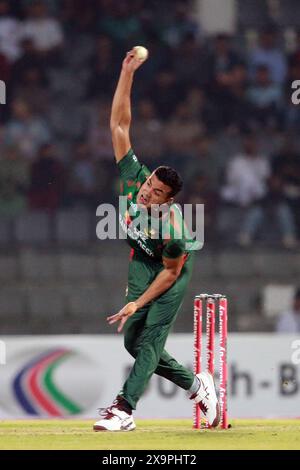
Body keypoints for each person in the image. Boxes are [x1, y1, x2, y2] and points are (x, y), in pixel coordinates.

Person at [93, 49, 220, 432]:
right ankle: (198, 386)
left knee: (148, 338)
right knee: (133, 342)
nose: (147, 192)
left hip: (170, 270)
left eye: (157, 191)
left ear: (169, 199)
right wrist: (126, 71)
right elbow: (119, 124)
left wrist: (136, 302)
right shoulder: (135, 179)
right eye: (150, 184)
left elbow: (168, 275)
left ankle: (124, 409)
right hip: (142, 259)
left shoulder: (175, 232)